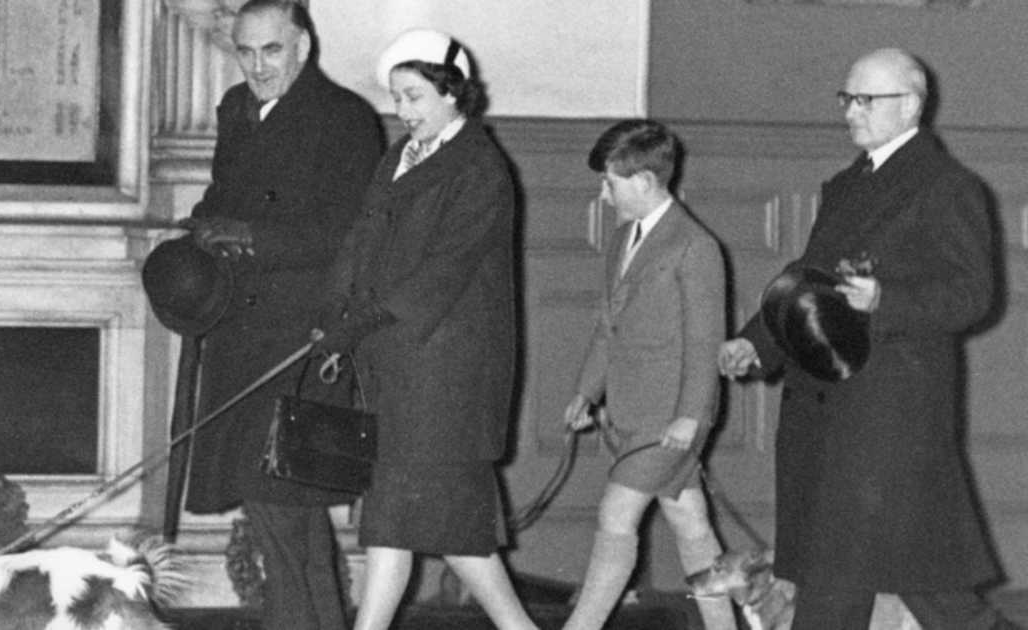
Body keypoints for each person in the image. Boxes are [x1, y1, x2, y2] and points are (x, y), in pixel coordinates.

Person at [718, 48, 1013, 629]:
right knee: (906, 583)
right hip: (836, 410)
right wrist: (760, 342)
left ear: (910, 105)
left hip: (888, 413)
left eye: (865, 100)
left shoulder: (948, 186)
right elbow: (813, 277)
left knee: (862, 579)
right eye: (846, 98)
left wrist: (886, 301)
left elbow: (973, 296)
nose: (850, 112)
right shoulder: (848, 184)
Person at [312, 28, 538, 630]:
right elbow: (362, 240)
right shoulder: (401, 156)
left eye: (413, 96)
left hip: (447, 374)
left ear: (451, 93)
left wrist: (368, 319)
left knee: (433, 521)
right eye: (396, 98)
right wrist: (336, 318)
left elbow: (445, 269)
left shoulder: (481, 169)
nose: (402, 111)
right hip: (400, 366)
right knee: (414, 521)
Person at [179, 2, 384, 629]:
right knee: (273, 515)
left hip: (301, 339)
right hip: (240, 335)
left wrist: (249, 237)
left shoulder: (345, 119)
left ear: (302, 46)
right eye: (246, 51)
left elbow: (351, 236)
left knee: (288, 508)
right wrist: (202, 226)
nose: (258, 65)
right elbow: (224, 195)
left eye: (271, 50)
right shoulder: (237, 112)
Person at [558, 119, 736, 630]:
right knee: (690, 521)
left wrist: (690, 417)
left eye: (609, 182)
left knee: (616, 516)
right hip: (629, 413)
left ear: (642, 181)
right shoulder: (620, 241)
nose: (604, 192)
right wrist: (585, 391)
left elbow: (706, 342)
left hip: (670, 418)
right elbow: (607, 327)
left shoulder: (694, 246)